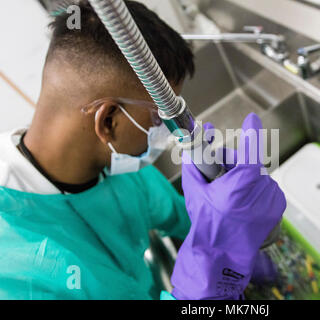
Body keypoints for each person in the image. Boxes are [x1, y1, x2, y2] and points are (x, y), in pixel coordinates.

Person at [0, 1, 285, 300]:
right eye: (157, 120)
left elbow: (177, 213)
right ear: (108, 120)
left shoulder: (117, 167)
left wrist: (235, 237)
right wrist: (209, 286)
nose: (167, 135)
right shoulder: (17, 276)